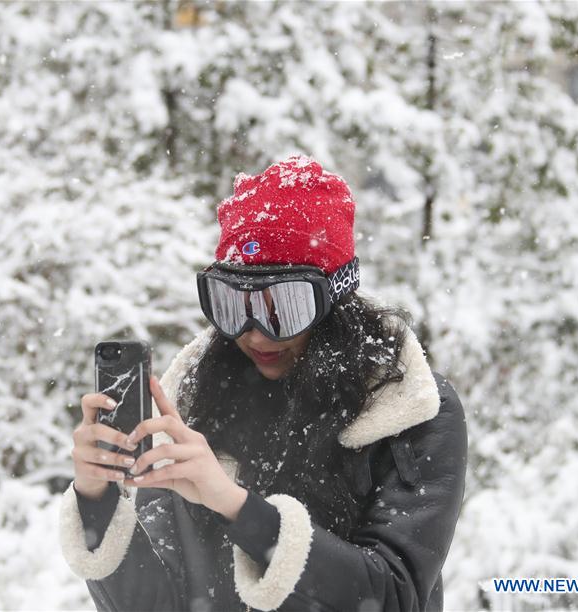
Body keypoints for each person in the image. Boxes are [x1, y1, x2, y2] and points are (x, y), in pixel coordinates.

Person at [59, 155, 467, 612]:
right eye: (232, 304)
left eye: (284, 307)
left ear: (335, 300)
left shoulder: (405, 410)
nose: (254, 332)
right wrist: (96, 499)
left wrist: (240, 509)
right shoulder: (199, 409)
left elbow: (392, 595)